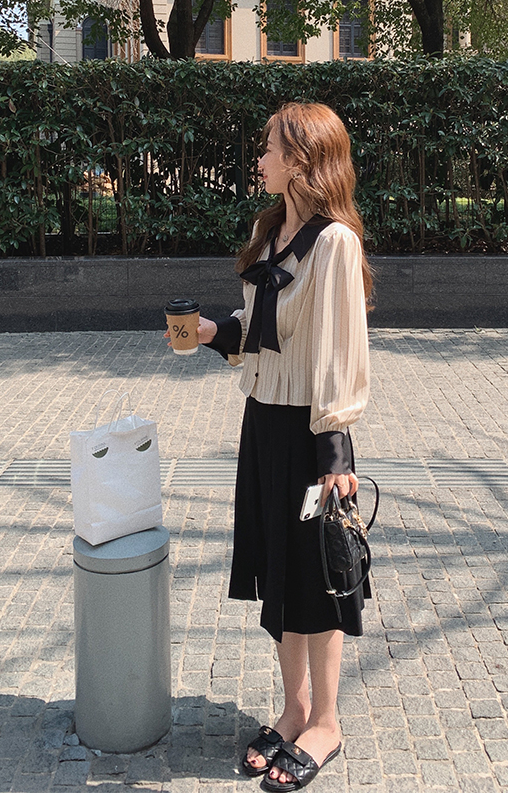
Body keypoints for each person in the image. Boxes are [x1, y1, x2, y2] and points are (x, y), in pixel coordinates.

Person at [166, 102, 371, 791]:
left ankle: (327, 723)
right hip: (261, 425)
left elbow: (339, 349)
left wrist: (335, 455)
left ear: (301, 162)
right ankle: (293, 710)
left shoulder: (334, 243)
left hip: (313, 437)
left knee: (320, 578)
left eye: (270, 149)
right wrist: (210, 332)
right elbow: (259, 329)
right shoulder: (269, 233)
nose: (259, 159)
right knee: (282, 575)